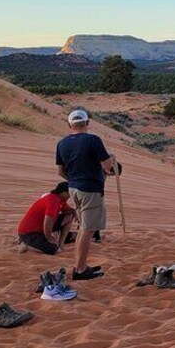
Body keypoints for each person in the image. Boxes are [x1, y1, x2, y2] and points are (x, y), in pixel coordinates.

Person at [56, 109, 116, 280]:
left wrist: (74, 179)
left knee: (84, 228)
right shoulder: (93, 140)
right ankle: (80, 269)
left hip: (73, 188)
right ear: (87, 123)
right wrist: (111, 160)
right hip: (90, 189)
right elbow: (107, 167)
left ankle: (80, 266)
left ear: (69, 125)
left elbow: (60, 171)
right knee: (87, 230)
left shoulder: (62, 143)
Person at [17, 182, 76, 255]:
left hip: (40, 228)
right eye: (69, 194)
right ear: (64, 193)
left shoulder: (59, 200)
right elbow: (47, 223)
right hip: (29, 233)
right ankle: (26, 245)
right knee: (56, 251)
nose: (69, 197)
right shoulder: (53, 201)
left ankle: (61, 244)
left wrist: (75, 213)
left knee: (69, 216)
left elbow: (68, 210)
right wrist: (50, 238)